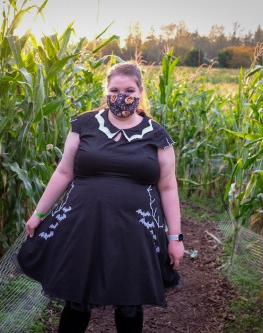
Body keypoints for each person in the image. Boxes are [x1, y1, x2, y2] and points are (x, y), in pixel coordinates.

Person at [17, 61, 184, 333]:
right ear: (106, 91)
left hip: (135, 229)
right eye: (115, 89)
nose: (122, 96)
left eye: (129, 90)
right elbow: (63, 171)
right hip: (83, 225)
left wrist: (175, 238)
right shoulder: (84, 124)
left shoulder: (157, 134)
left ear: (141, 91)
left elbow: (168, 187)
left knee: (129, 303)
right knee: (77, 300)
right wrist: (38, 214)